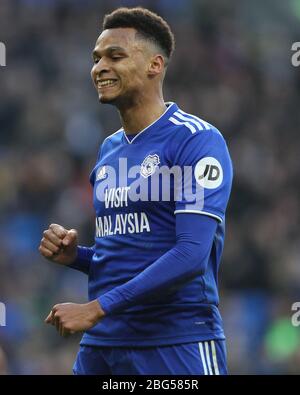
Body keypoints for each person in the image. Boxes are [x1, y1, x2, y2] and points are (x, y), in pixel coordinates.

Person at [39, 7, 233, 375]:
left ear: (155, 65)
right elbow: (125, 255)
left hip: (175, 343)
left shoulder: (196, 141)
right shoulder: (109, 151)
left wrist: (95, 308)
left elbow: (191, 253)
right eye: (96, 58)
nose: (100, 67)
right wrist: (76, 257)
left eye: (116, 56)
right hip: (104, 346)